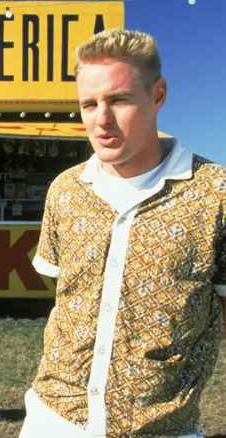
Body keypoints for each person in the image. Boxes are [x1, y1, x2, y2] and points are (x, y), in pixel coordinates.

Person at [19, 28, 226, 438]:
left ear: (158, 95)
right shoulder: (66, 190)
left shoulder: (215, 195)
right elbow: (67, 298)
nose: (102, 119)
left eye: (119, 100)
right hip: (53, 419)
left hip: (161, 427)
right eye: (89, 104)